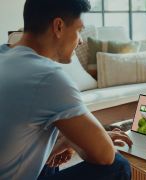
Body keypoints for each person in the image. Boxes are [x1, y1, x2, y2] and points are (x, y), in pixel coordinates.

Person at [0, 0, 133, 179]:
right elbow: (105, 155)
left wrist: (65, 140)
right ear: (59, 26)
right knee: (118, 166)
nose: (81, 40)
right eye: (79, 30)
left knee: (50, 144)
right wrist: (74, 141)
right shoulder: (47, 77)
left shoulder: (4, 54)